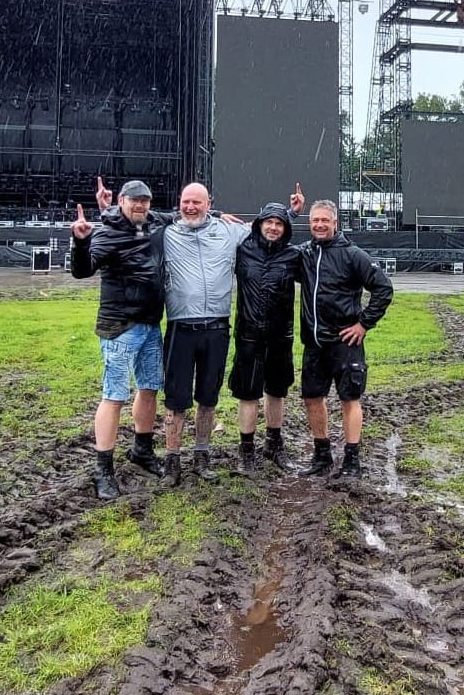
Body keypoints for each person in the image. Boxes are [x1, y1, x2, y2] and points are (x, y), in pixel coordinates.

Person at [156, 183, 303, 485]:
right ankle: (172, 460)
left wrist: (291, 213)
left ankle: (201, 456)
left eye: (198, 202)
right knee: (176, 398)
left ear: (209, 202)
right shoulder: (167, 233)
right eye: (186, 201)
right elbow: (140, 218)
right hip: (181, 327)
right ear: (178, 203)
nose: (191, 207)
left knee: (208, 397)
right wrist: (106, 211)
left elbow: (268, 227)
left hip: (218, 328)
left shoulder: (230, 232)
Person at [70, 179, 169, 500]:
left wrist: (219, 215)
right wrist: (81, 243)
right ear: (122, 202)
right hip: (119, 327)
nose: (140, 206)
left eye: (145, 201)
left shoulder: (154, 224)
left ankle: (142, 449)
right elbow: (83, 272)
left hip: (151, 323)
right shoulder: (107, 233)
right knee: (114, 395)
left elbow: (188, 215)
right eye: (134, 201)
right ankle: (103, 469)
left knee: (150, 387)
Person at [296, 200, 394, 480]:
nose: (319, 225)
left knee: (349, 399)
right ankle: (322, 454)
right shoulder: (304, 254)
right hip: (314, 343)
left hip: (345, 343)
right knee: (312, 398)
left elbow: (383, 288)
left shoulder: (353, 255)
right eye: (315, 220)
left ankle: (352, 460)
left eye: (325, 220)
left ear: (335, 222)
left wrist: (363, 324)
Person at [229, 199, 303, 472]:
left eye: (279, 223)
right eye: (268, 222)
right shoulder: (242, 250)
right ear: (259, 224)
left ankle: (274, 443)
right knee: (247, 393)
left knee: (276, 390)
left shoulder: (294, 256)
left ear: (286, 229)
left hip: (280, 336)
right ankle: (246, 449)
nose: (273, 228)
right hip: (248, 335)